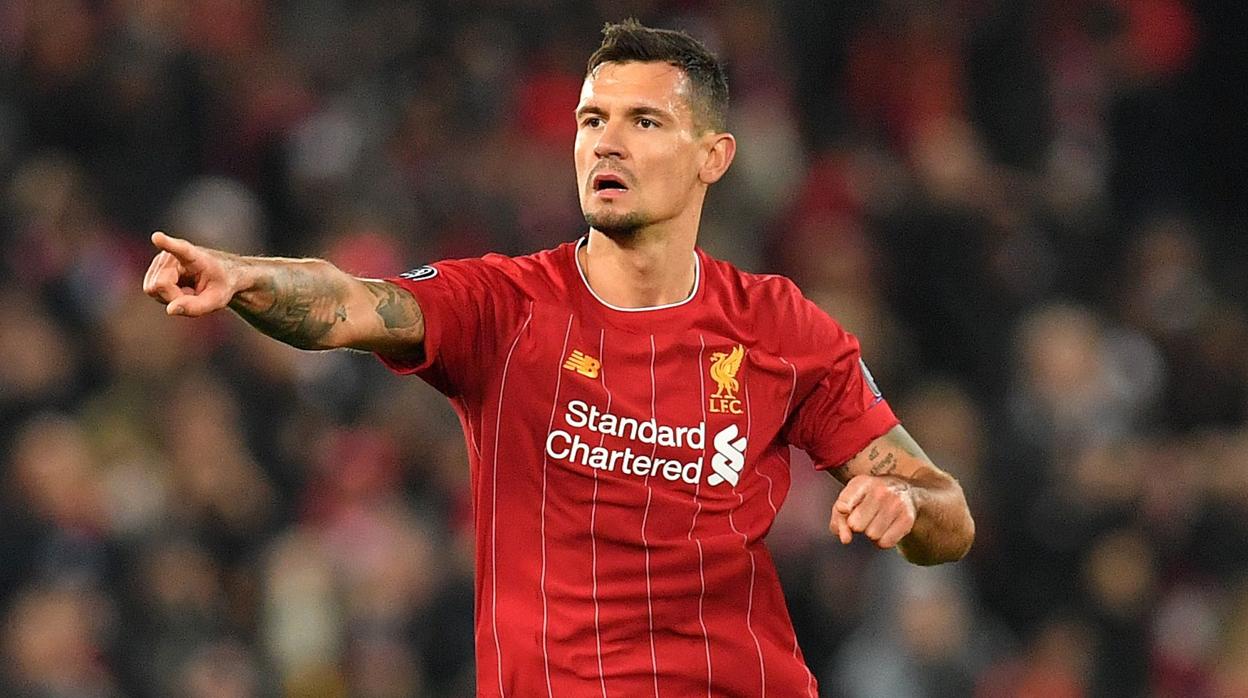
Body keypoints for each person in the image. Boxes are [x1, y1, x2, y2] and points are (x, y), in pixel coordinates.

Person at [142, 19, 974, 697]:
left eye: (644, 122)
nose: (607, 144)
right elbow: (350, 303)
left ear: (712, 157)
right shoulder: (504, 308)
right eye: (591, 120)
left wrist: (902, 501)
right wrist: (245, 277)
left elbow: (949, 516)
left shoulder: (778, 326)